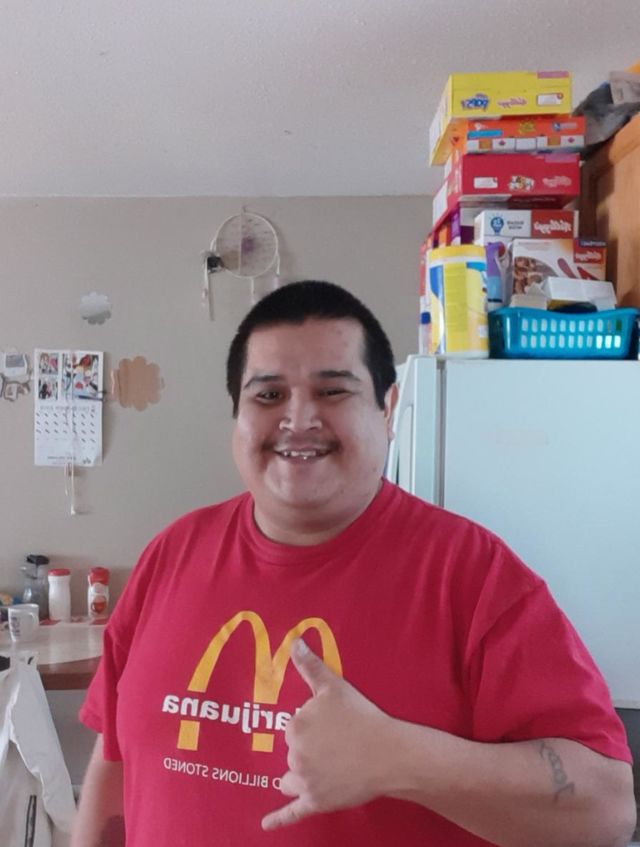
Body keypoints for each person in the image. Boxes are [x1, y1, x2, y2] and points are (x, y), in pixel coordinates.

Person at [72, 280, 636, 847]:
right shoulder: (172, 554)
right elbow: (113, 764)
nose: (298, 419)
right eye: (268, 395)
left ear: (387, 409)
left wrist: (403, 758)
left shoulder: (472, 575)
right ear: (237, 416)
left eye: (332, 391)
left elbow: (607, 811)